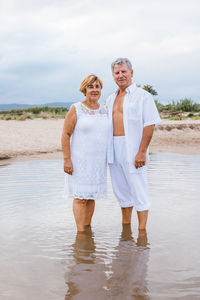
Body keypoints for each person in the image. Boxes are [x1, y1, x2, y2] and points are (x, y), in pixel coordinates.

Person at [106, 58, 161, 230]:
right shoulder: (110, 98)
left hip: (133, 148)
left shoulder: (143, 96)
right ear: (113, 76)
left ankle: (142, 233)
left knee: (139, 190)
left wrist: (141, 152)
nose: (121, 75)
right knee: (121, 191)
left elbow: (149, 123)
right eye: (117, 72)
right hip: (113, 150)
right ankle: (126, 228)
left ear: (131, 72)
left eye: (124, 71)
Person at [61, 75, 108, 232]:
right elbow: (66, 134)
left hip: (98, 162)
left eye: (97, 86)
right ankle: (81, 233)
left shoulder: (104, 110)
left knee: (91, 197)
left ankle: (87, 229)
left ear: (101, 90)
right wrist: (67, 160)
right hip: (79, 161)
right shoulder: (76, 108)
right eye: (91, 86)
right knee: (80, 198)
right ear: (84, 90)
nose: (94, 90)